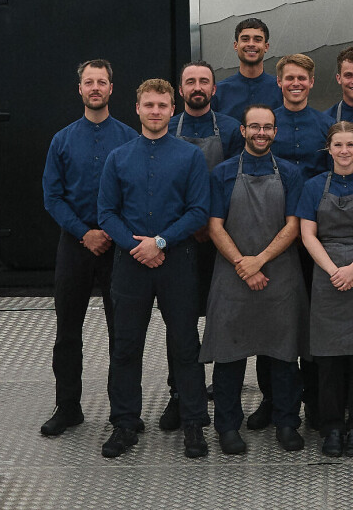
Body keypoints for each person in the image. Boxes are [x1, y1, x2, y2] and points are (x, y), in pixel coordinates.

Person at [97, 78, 211, 459]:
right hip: (130, 265)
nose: (156, 111)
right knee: (126, 346)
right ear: (138, 109)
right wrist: (136, 246)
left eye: (162, 105)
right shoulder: (119, 157)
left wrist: (159, 242)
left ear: (172, 109)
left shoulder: (190, 156)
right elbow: (106, 213)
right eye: (149, 105)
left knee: (185, 345)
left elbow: (198, 211)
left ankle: (194, 423)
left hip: (176, 261)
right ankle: (125, 423)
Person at [199, 104, 309, 455]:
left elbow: (294, 225)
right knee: (229, 354)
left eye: (268, 127)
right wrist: (241, 264)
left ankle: (287, 421)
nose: (261, 133)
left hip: (280, 273)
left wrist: (258, 261)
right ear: (243, 131)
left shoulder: (291, 173)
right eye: (254, 127)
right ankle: (228, 426)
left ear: (275, 132)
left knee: (283, 352)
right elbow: (214, 226)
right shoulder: (223, 173)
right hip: (232, 275)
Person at [40, 59, 137, 437]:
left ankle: (124, 413)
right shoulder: (62, 140)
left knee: (122, 333)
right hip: (75, 245)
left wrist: (112, 232)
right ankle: (68, 408)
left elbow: (135, 194)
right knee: (67, 333)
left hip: (118, 248)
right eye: (88, 82)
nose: (95, 88)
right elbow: (53, 197)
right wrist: (85, 233)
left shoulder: (130, 138)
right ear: (79, 89)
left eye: (102, 82)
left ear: (112, 88)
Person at [297, 121, 353, 457]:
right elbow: (307, 234)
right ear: (329, 149)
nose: (345, 151)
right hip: (326, 275)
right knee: (328, 360)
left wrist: (352, 268)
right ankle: (332, 427)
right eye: (338, 145)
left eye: (351, 145)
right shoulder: (313, 186)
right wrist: (334, 269)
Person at [161, 61, 243, 429]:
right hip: (179, 241)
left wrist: (210, 224)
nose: (197, 87)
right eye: (190, 81)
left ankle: (225, 398)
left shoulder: (229, 129)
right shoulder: (166, 128)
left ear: (214, 89)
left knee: (225, 321)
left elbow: (238, 184)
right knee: (179, 324)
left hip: (221, 240)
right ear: (181, 90)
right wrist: (187, 226)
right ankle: (179, 396)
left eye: (204, 81)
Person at [264, 53, 333, 430]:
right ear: (280, 82)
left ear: (310, 82)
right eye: (289, 78)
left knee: (312, 318)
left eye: (302, 78)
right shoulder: (266, 122)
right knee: (272, 316)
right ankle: (272, 400)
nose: (295, 84)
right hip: (270, 230)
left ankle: (316, 401)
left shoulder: (325, 125)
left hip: (313, 234)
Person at [212, 18, 283, 118]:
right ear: (236, 45)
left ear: (266, 47)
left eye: (257, 40)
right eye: (245, 39)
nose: (251, 44)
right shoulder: (219, 92)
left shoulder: (280, 90)